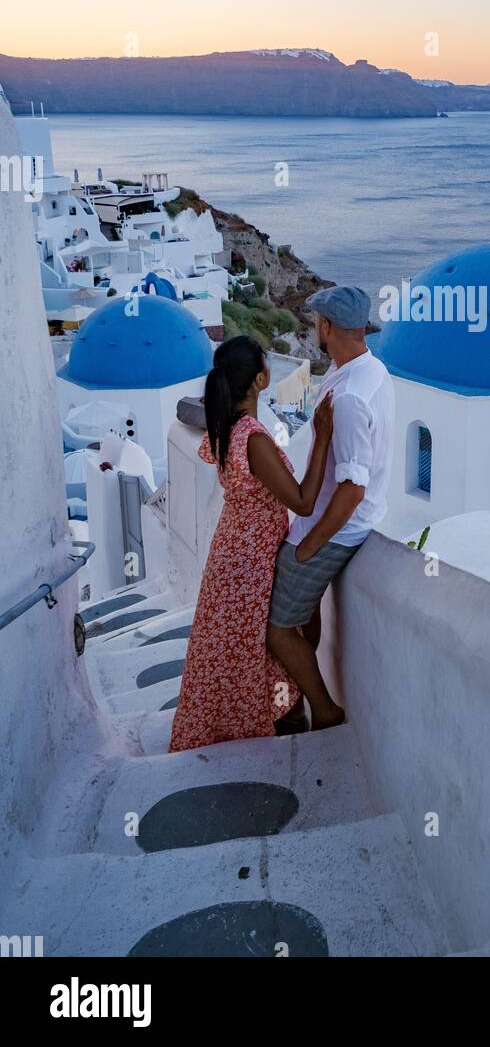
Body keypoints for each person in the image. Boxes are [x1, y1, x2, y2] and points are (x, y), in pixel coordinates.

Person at [169, 335, 333, 752]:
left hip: (232, 549)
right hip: (251, 557)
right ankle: (291, 712)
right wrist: (322, 437)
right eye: (266, 364)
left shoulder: (226, 428)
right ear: (261, 379)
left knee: (239, 646)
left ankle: (280, 712)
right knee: (266, 639)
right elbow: (302, 500)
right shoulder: (255, 439)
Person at [267, 285, 394, 730]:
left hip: (332, 530)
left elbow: (352, 488)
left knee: (278, 629)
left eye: (315, 321)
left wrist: (309, 546)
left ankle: (323, 709)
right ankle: (304, 701)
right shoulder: (368, 369)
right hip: (334, 525)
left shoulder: (353, 396)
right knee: (302, 619)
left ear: (325, 326)